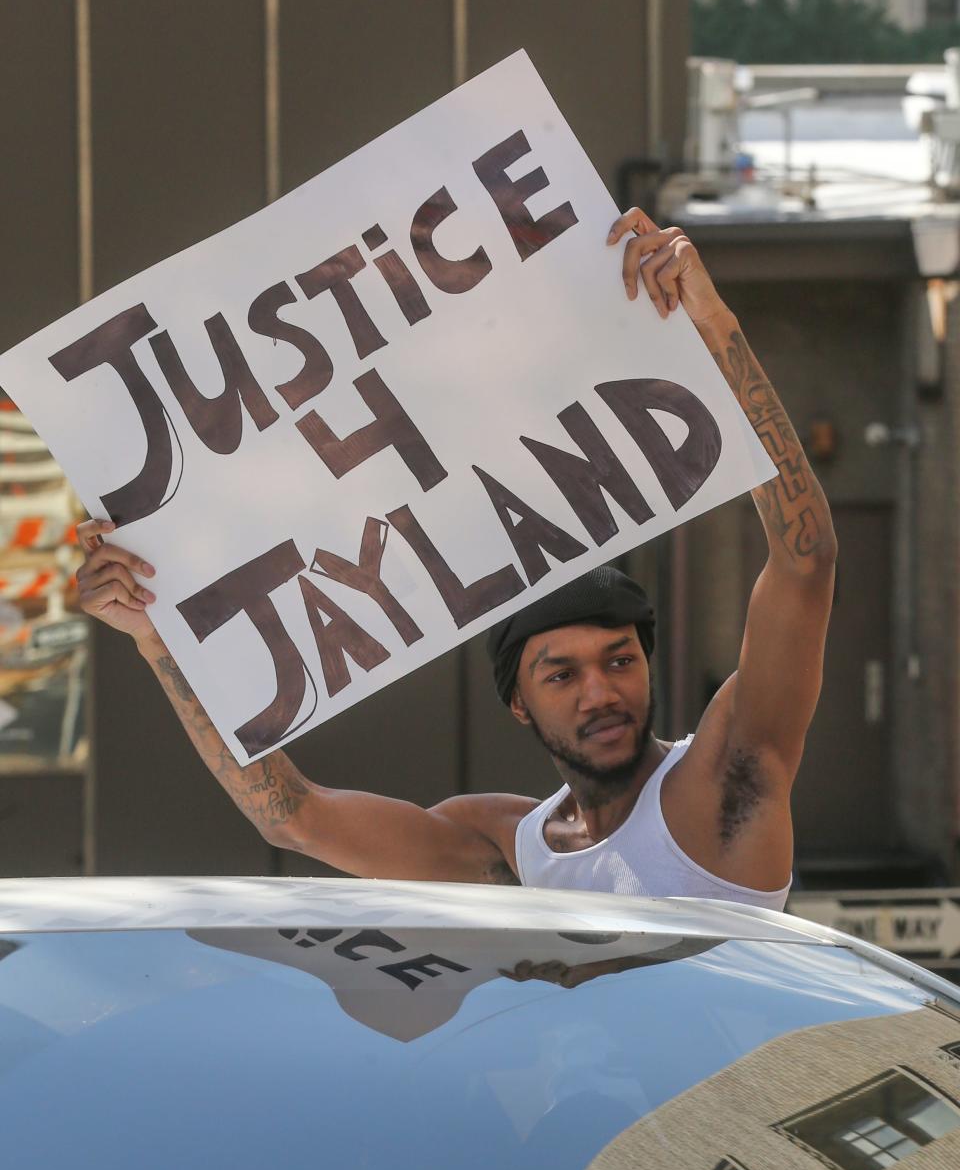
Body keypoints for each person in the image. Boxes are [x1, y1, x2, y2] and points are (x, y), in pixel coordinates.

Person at [77, 209, 836, 905]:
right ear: (518, 702)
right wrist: (156, 639)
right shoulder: (507, 848)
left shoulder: (724, 778)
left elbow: (804, 562)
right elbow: (296, 818)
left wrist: (713, 326)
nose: (600, 691)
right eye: (561, 673)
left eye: (619, 659)